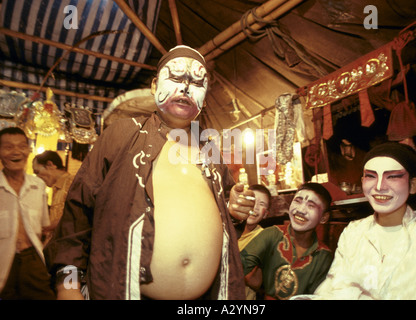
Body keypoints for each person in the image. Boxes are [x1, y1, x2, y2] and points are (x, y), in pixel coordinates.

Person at [44, 45, 246, 300]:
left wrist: (236, 211)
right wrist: (68, 286)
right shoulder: (121, 135)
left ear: (205, 96)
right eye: (174, 77)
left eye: (197, 82)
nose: (185, 88)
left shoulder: (210, 151)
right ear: (154, 86)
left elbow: (226, 220)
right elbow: (77, 215)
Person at [311, 142, 416, 299]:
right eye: (371, 176)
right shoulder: (354, 232)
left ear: (413, 185)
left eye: (393, 176)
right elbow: (334, 287)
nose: (379, 186)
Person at [238, 182, 334, 300]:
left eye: (311, 205)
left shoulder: (323, 256)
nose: (301, 210)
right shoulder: (272, 234)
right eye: (297, 201)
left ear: (324, 217)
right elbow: (237, 266)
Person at [0, 127, 55, 299]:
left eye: (22, 146)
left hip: (32, 259)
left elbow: (44, 227)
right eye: (8, 147)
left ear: (28, 150)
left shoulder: (38, 185)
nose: (16, 152)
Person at [237, 184, 271, 300]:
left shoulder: (263, 237)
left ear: (266, 213)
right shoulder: (227, 228)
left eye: (261, 204)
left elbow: (256, 282)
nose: (255, 207)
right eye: (252, 200)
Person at [32, 150, 74, 246]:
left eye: (37, 172)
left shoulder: (72, 183)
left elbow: (72, 218)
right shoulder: (56, 188)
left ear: (50, 165)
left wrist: (44, 227)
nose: (37, 177)